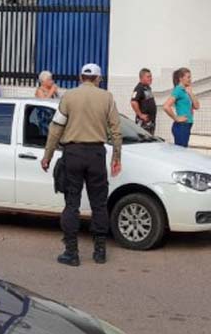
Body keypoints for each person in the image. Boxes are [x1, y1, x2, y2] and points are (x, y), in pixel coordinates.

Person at [41, 64, 122, 267]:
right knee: (99, 203)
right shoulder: (107, 98)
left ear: (80, 77)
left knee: (71, 204)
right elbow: (116, 129)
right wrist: (116, 157)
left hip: (73, 154)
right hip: (96, 154)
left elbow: (56, 128)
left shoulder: (68, 96)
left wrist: (47, 155)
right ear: (98, 79)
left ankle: (71, 252)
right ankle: (100, 251)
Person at [163, 67, 199, 147]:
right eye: (188, 77)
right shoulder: (178, 90)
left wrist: (191, 93)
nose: (190, 79)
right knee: (181, 154)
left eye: (190, 77)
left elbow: (197, 106)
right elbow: (166, 106)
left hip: (187, 125)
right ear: (181, 78)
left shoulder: (186, 91)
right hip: (181, 126)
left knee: (183, 152)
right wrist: (176, 118)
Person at [130, 68, 157, 135]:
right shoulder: (139, 88)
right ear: (141, 78)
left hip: (150, 123)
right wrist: (140, 115)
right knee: (144, 142)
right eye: (148, 77)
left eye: (151, 76)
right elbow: (133, 102)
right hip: (143, 124)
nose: (150, 78)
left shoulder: (147, 88)